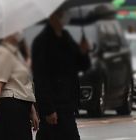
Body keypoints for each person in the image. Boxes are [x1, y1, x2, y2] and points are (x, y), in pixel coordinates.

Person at [32, 8, 91, 140]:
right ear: (52, 17)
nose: (63, 19)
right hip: (54, 105)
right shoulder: (42, 42)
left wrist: (83, 52)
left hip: (68, 103)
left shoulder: (66, 37)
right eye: (60, 16)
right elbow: (41, 78)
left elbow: (81, 66)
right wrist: (48, 109)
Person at [0, 34, 39, 140]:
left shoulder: (15, 53)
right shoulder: (3, 53)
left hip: (21, 107)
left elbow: (20, 84)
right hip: (10, 107)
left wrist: (32, 111)